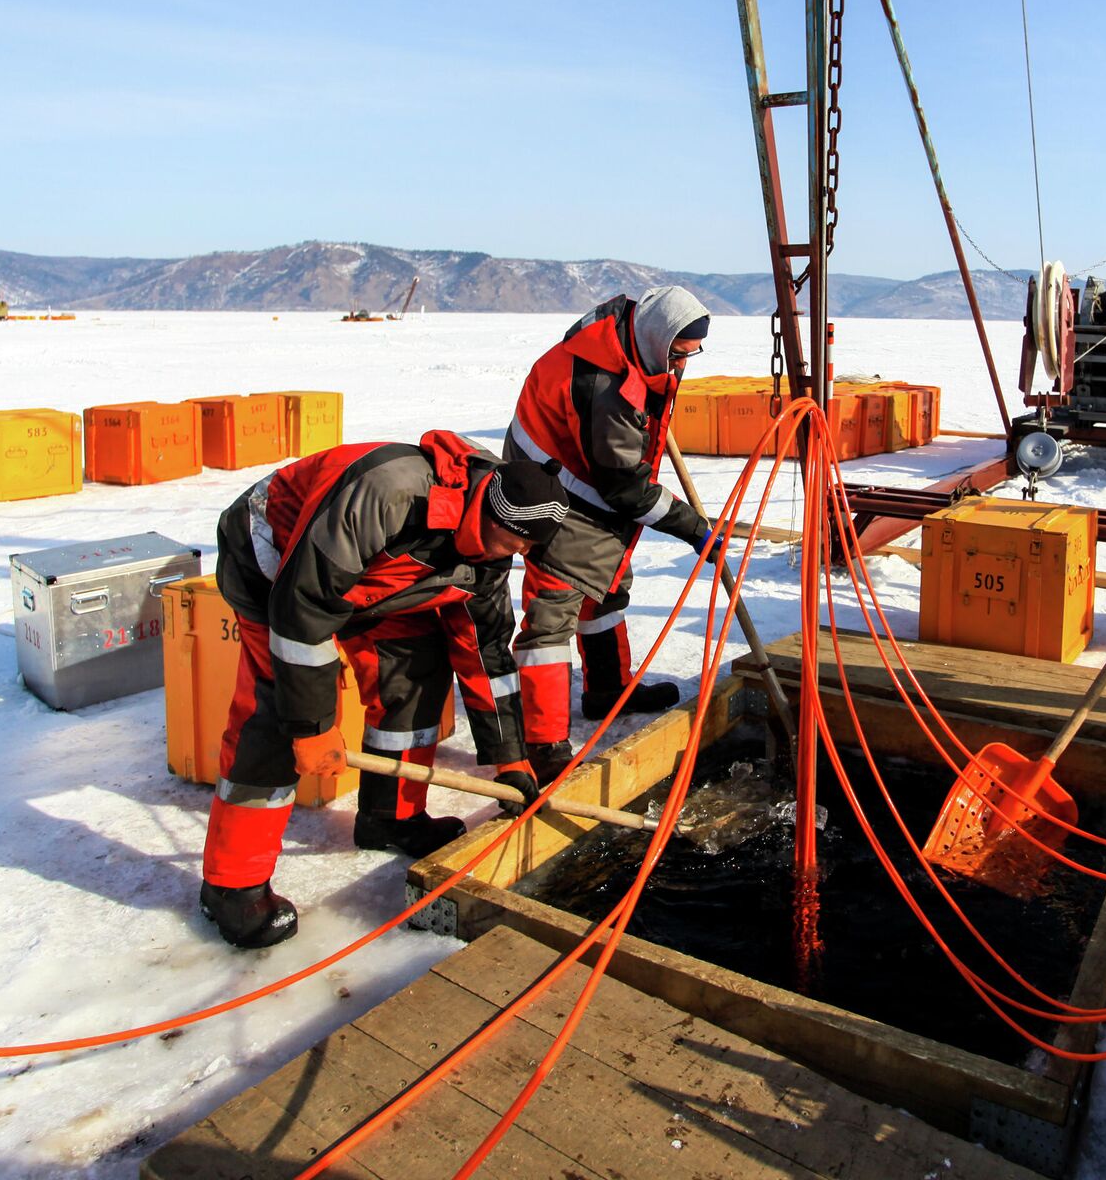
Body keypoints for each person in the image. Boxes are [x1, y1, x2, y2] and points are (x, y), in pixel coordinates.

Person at [198, 429, 570, 949]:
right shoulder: (389, 494)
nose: (519, 555)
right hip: (276, 559)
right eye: (516, 543)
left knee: (414, 676)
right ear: (489, 516)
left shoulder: (490, 552)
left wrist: (510, 757)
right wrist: (311, 727)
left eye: (529, 547)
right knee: (275, 713)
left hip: (377, 578)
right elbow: (302, 608)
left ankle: (390, 818)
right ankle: (232, 886)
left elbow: (486, 653)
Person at [502, 286, 720, 778]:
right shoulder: (607, 384)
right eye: (679, 356)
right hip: (551, 489)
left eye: (690, 356)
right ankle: (544, 741)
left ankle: (607, 690)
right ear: (657, 340)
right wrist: (693, 529)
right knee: (554, 610)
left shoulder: (632, 342)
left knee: (605, 588)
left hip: (585, 475)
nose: (683, 367)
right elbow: (625, 487)